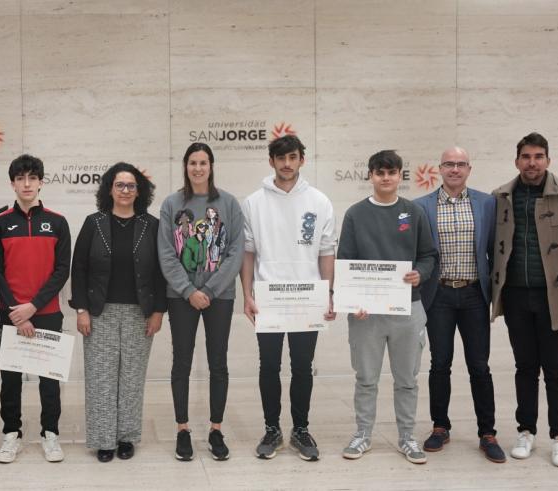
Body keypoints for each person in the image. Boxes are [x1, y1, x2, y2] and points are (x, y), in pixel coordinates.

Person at [491, 132, 558, 468]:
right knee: (525, 368)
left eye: (538, 157)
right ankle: (526, 430)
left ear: (548, 160)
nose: (532, 163)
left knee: (556, 370)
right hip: (516, 296)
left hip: (554, 298)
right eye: (526, 157)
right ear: (517, 161)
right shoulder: (501, 197)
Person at [337, 150, 438, 464]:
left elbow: (429, 255)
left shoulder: (414, 212)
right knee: (366, 378)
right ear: (370, 175)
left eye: (392, 172)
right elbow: (346, 261)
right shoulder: (355, 214)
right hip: (366, 314)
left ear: (400, 176)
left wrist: (419, 273)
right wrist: (354, 303)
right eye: (380, 172)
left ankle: (407, 437)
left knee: (407, 379)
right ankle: (363, 434)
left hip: (408, 309)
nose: (385, 178)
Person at [240, 135, 336, 461]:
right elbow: (248, 253)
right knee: (268, 366)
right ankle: (271, 429)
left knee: (302, 368)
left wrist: (328, 294)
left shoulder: (320, 201)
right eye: (280, 158)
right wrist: (247, 295)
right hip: (268, 297)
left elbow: (326, 252)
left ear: (301, 160)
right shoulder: (253, 202)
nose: (286, 163)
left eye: (292, 157)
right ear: (271, 161)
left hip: (307, 299)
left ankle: (300, 429)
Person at [70, 162, 167, 463]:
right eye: (119, 185)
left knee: (131, 379)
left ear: (140, 191)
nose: (125, 190)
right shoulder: (93, 223)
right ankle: (103, 440)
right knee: (101, 378)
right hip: (100, 313)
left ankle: (126, 437)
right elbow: (80, 268)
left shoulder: (152, 225)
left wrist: (159, 311)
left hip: (141, 312)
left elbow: (162, 272)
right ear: (109, 189)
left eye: (131, 186)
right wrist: (82, 310)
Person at [412, 147, 504, 463]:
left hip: (474, 295)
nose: (454, 169)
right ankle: (440, 427)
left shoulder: (487, 203)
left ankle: (487, 433)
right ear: (439, 168)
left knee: (479, 366)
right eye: (449, 164)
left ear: (469, 169)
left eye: (460, 164)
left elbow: (495, 249)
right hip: (438, 297)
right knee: (440, 364)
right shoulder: (421, 207)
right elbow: (417, 254)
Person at [158, 142, 245, 461]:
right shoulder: (171, 204)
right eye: (192, 162)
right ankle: (182, 429)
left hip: (219, 296)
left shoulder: (229, 203)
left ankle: (216, 429)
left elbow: (236, 251)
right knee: (181, 362)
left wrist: (208, 290)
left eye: (203, 162)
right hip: (180, 297)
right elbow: (166, 253)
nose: (198, 168)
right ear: (185, 166)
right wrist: (187, 290)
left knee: (218, 362)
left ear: (211, 166)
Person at [0, 154, 71, 464]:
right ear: (12, 183)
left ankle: (50, 434)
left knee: (49, 379)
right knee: (10, 380)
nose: (26, 184)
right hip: (9, 314)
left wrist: (33, 307)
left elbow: (62, 270)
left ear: (40, 182)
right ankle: (12, 435)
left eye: (32, 178)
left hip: (46, 311)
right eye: (20, 179)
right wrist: (16, 310)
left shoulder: (58, 222)